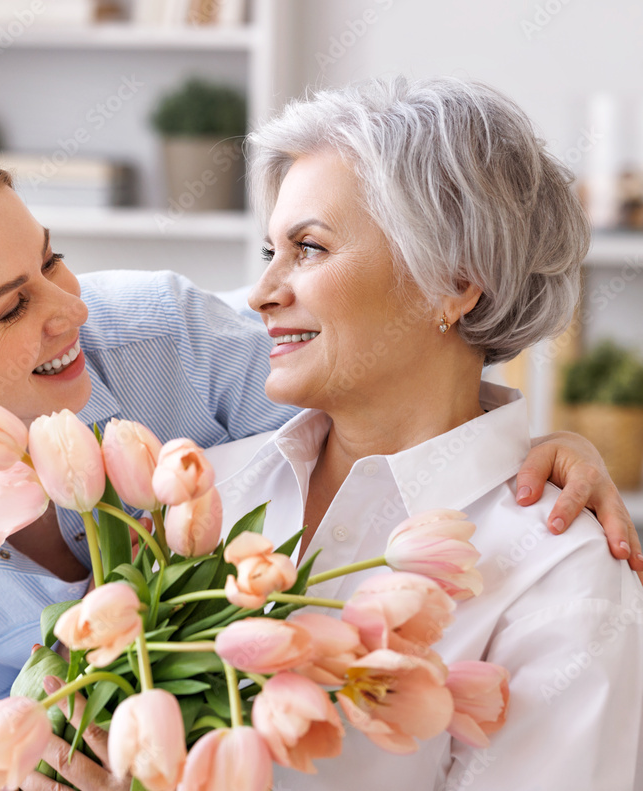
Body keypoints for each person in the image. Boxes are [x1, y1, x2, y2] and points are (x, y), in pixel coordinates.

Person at [0, 139, 637, 790]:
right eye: (12, 307)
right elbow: (11, 705)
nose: (68, 311)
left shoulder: (174, 345)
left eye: (55, 262)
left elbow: (386, 401)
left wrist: (539, 446)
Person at [199, 76, 643, 789]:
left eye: (308, 248)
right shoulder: (202, 490)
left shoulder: (562, 573)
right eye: (268, 252)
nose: (261, 292)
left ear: (454, 284)